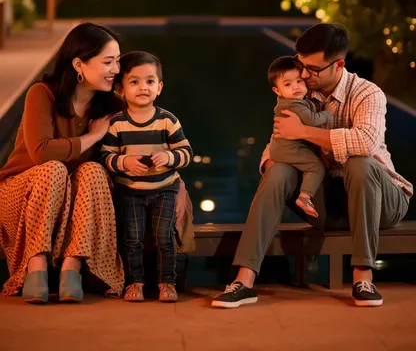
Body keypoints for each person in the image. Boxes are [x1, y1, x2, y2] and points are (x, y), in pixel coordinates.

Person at [212, 23, 413, 309]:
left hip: (381, 202)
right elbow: (277, 142)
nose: (304, 75)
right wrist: (275, 163)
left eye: (313, 69)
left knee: (360, 163)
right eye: (301, 65)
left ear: (339, 64)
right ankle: (244, 281)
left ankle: (363, 278)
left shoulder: (367, 94)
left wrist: (304, 132)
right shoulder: (300, 93)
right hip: (327, 203)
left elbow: (366, 143)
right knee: (277, 168)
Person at [0, 22, 125, 303]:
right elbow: (41, 153)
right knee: (53, 168)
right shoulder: (42, 94)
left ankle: (72, 268)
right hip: (23, 193)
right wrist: (92, 136)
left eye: (117, 61)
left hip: (74, 200)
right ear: (79, 64)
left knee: (93, 170)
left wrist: (175, 190)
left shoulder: (110, 107)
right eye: (108, 62)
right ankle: (36, 267)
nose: (116, 70)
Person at [100, 51, 193, 303]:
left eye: (150, 81)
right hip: (130, 190)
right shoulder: (118, 124)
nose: (143, 87)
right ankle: (135, 282)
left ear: (159, 87)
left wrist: (170, 158)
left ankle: (167, 282)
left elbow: (186, 152)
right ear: (120, 89)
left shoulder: (167, 121)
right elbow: (106, 156)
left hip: (164, 188)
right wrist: (124, 162)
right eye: (135, 82)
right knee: (132, 238)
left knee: (164, 236)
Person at [268, 55, 333, 218]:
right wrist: (327, 113)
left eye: (299, 81)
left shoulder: (286, 101)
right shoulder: (294, 104)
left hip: (281, 148)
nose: (296, 87)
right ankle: (305, 196)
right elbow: (312, 120)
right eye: (288, 84)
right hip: (289, 149)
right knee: (316, 167)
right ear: (277, 90)